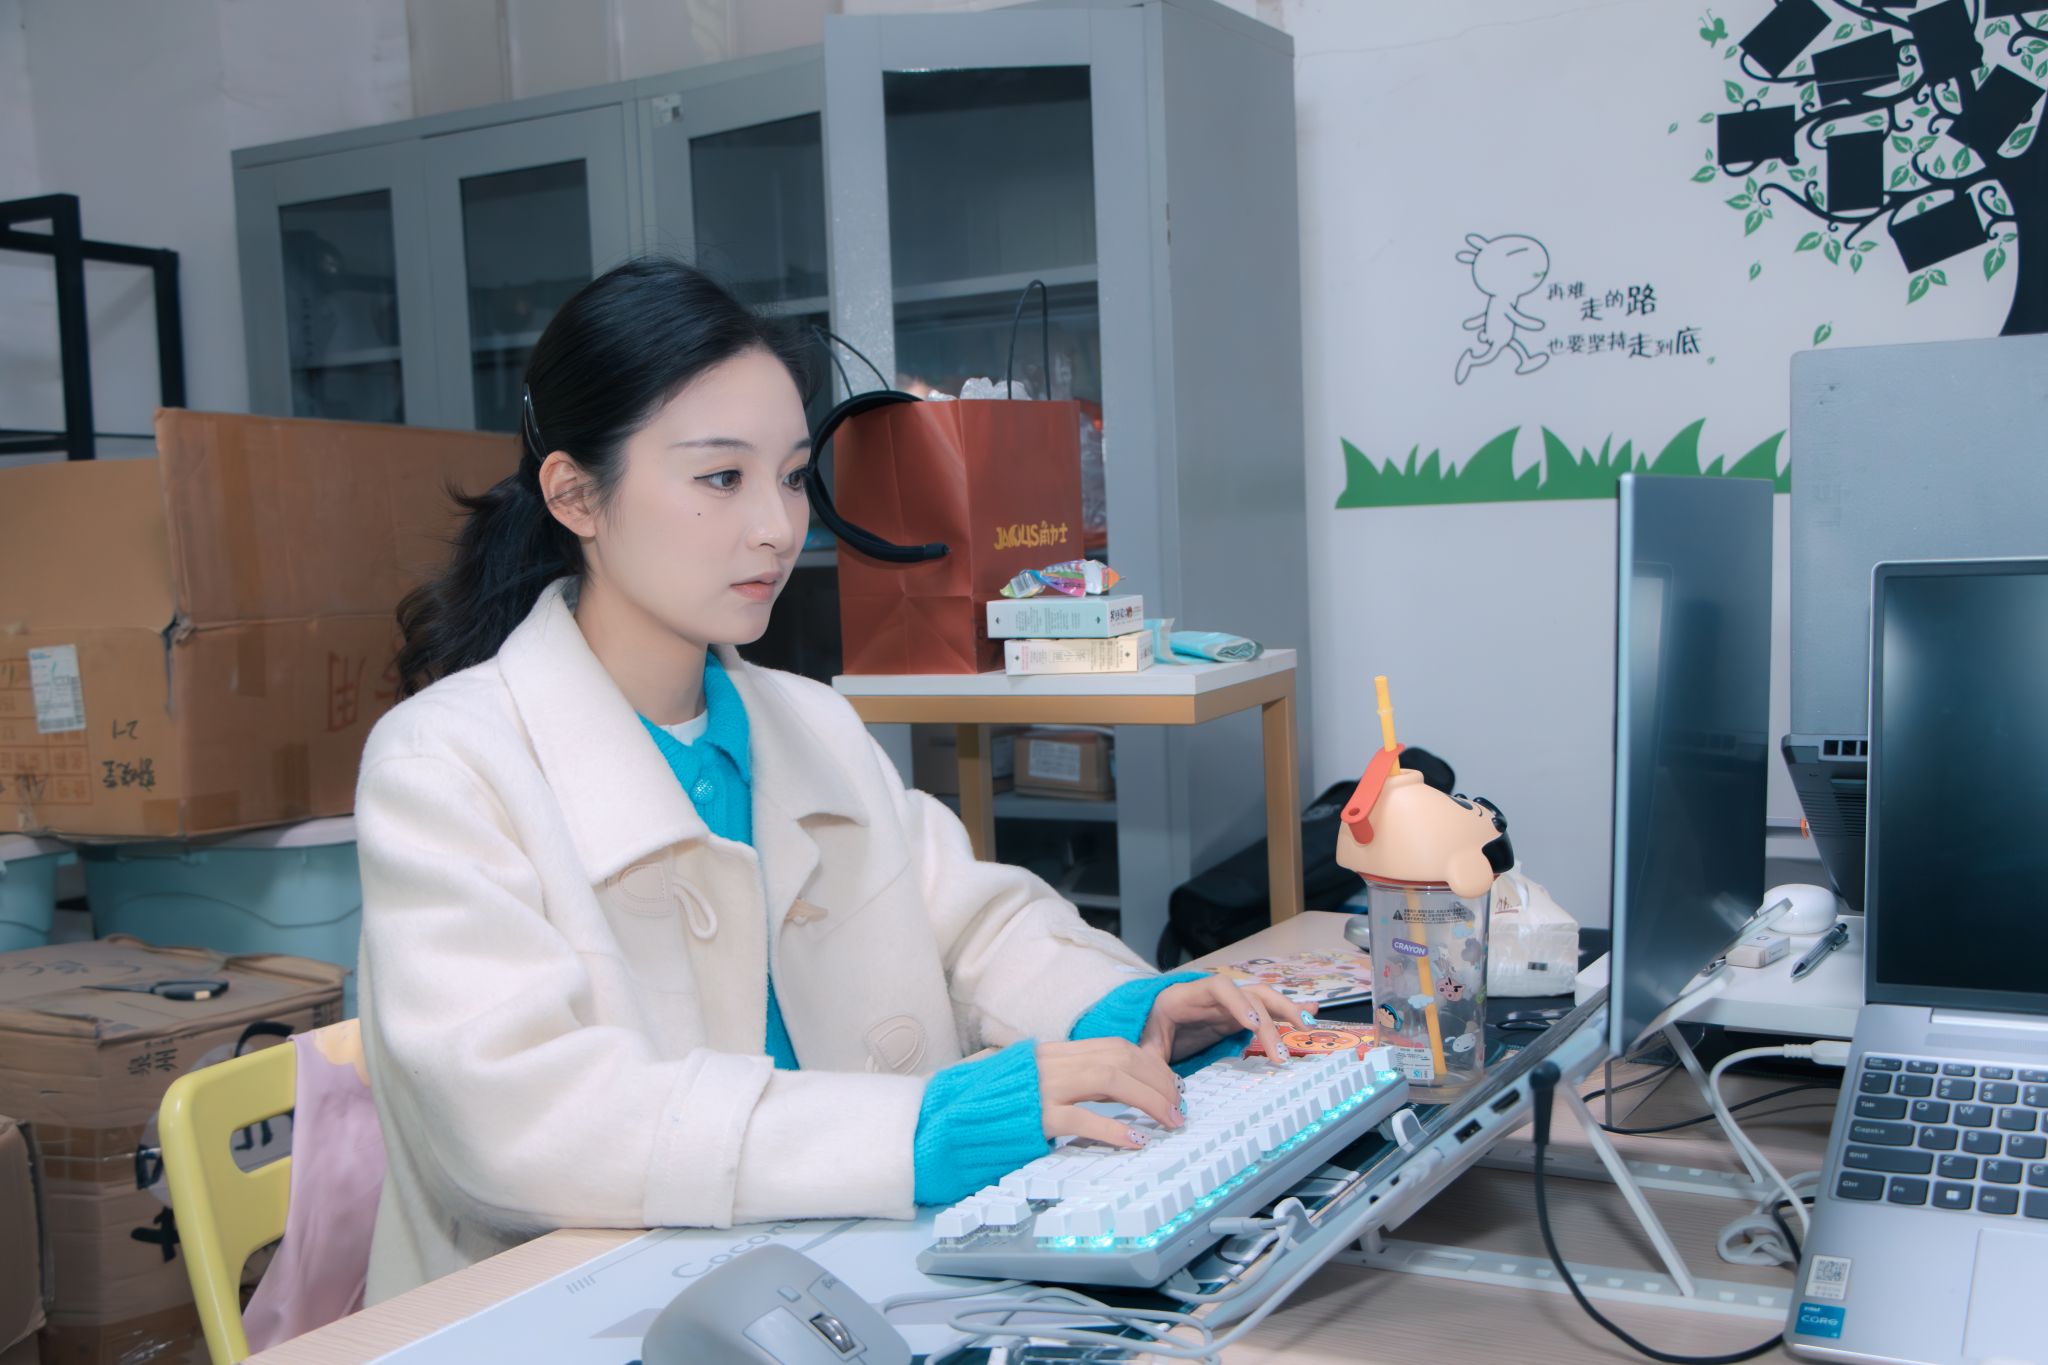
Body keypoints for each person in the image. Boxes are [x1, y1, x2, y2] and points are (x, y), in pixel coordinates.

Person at [353, 258, 1308, 1301]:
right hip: (573, 1304)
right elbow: (520, 1119)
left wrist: (1117, 1009)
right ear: (575, 494)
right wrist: (920, 1129)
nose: (777, 525)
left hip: (836, 1268)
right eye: (721, 478)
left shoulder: (807, 721)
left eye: (793, 475)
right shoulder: (444, 764)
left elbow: (970, 925)